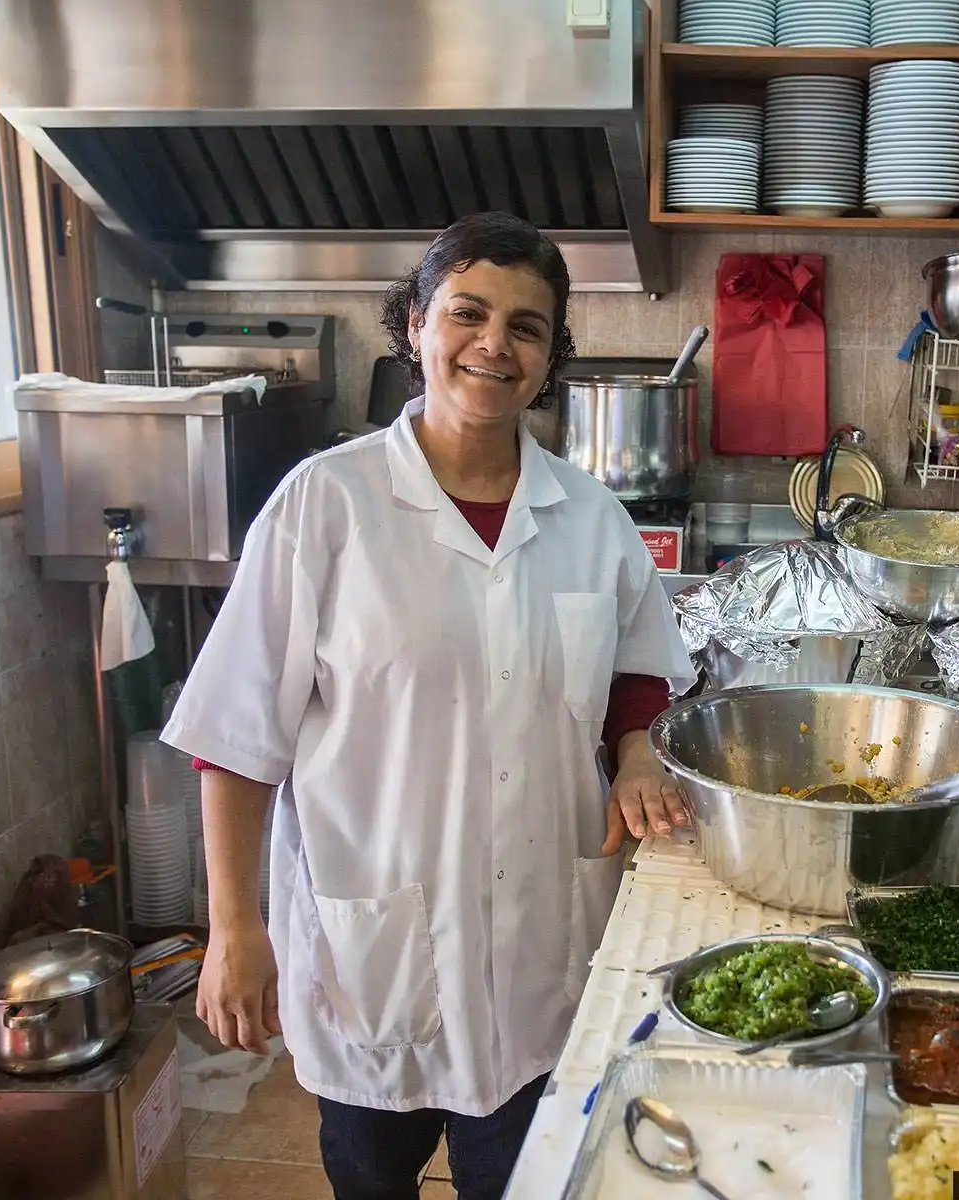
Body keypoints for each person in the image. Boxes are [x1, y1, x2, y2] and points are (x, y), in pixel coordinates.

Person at [160, 212, 698, 1200]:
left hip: (541, 950)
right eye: (468, 313)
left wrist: (634, 752)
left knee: (523, 1181)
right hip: (377, 955)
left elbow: (637, 669)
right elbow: (236, 740)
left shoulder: (589, 517)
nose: (495, 344)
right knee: (371, 1179)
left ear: (549, 357)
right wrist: (235, 930)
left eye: (527, 327)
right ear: (415, 325)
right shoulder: (326, 505)